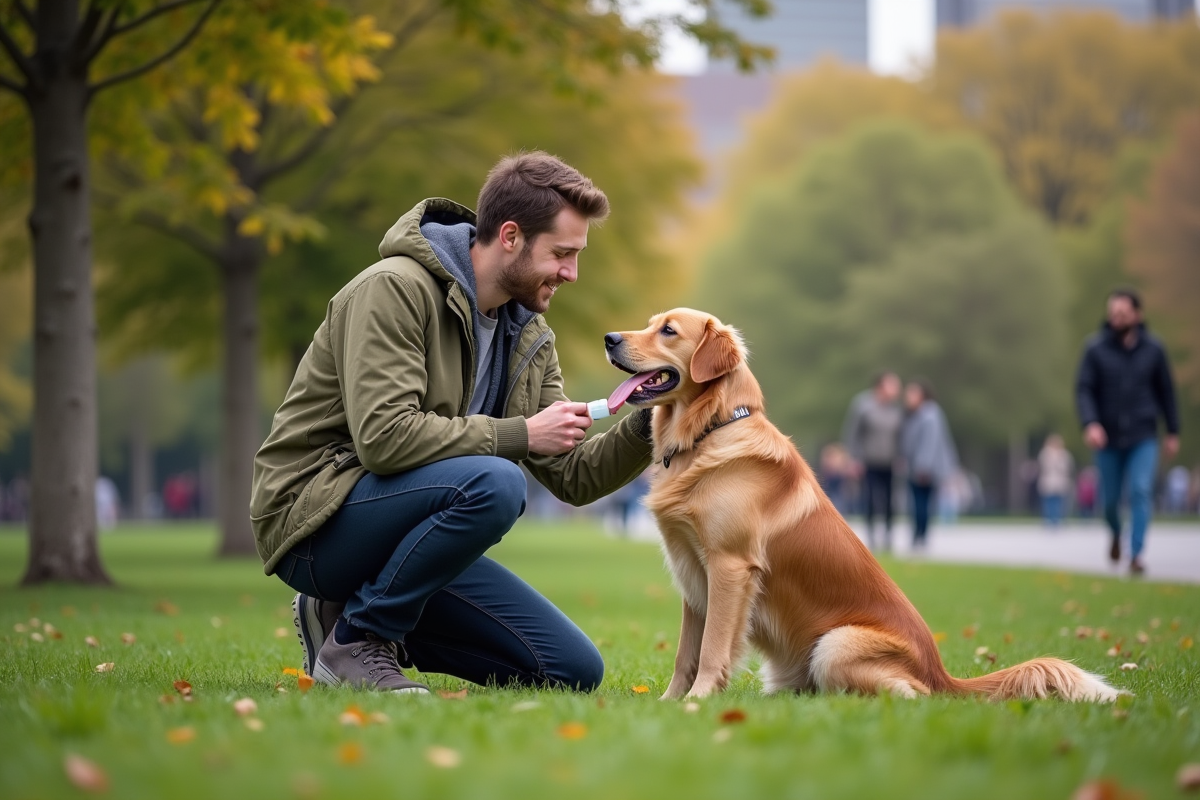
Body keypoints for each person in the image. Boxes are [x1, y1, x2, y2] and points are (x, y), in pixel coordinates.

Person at [251, 152, 655, 695]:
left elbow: (574, 477)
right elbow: (384, 439)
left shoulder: (529, 336)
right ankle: (358, 641)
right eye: (562, 254)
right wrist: (519, 434)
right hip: (313, 521)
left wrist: (658, 417)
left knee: (571, 671)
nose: (571, 273)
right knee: (499, 481)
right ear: (510, 236)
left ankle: (344, 614)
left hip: (405, 539)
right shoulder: (394, 289)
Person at [1075, 288, 1180, 576]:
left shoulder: (1154, 349)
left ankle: (1136, 554)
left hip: (1143, 434)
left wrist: (1172, 431)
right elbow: (1084, 390)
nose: (1116, 319)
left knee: (1140, 490)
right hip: (1106, 436)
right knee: (1109, 501)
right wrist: (1090, 423)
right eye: (1113, 314)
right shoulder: (1095, 349)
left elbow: (1166, 392)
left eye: (1122, 314)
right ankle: (1115, 531)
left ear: (1137, 315)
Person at [841, 371, 903, 551]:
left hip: (890, 462)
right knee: (869, 499)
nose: (896, 390)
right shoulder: (863, 405)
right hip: (868, 462)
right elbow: (852, 434)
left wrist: (901, 456)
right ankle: (872, 535)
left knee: (890, 501)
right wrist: (853, 459)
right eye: (893, 385)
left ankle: (888, 536)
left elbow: (900, 436)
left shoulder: (896, 409)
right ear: (881, 387)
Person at [899, 379, 958, 551]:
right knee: (917, 503)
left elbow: (930, 443)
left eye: (912, 393)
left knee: (921, 503)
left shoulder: (930, 414)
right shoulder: (912, 414)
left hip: (925, 469)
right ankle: (918, 535)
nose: (908, 397)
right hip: (914, 467)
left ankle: (920, 536)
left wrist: (923, 467)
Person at [1036, 434, 1074, 528]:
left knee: (1059, 502)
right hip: (1049, 481)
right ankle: (1049, 519)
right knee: (1049, 501)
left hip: (1060, 481)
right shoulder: (1045, 454)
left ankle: (1057, 519)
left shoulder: (1064, 454)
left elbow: (1067, 467)